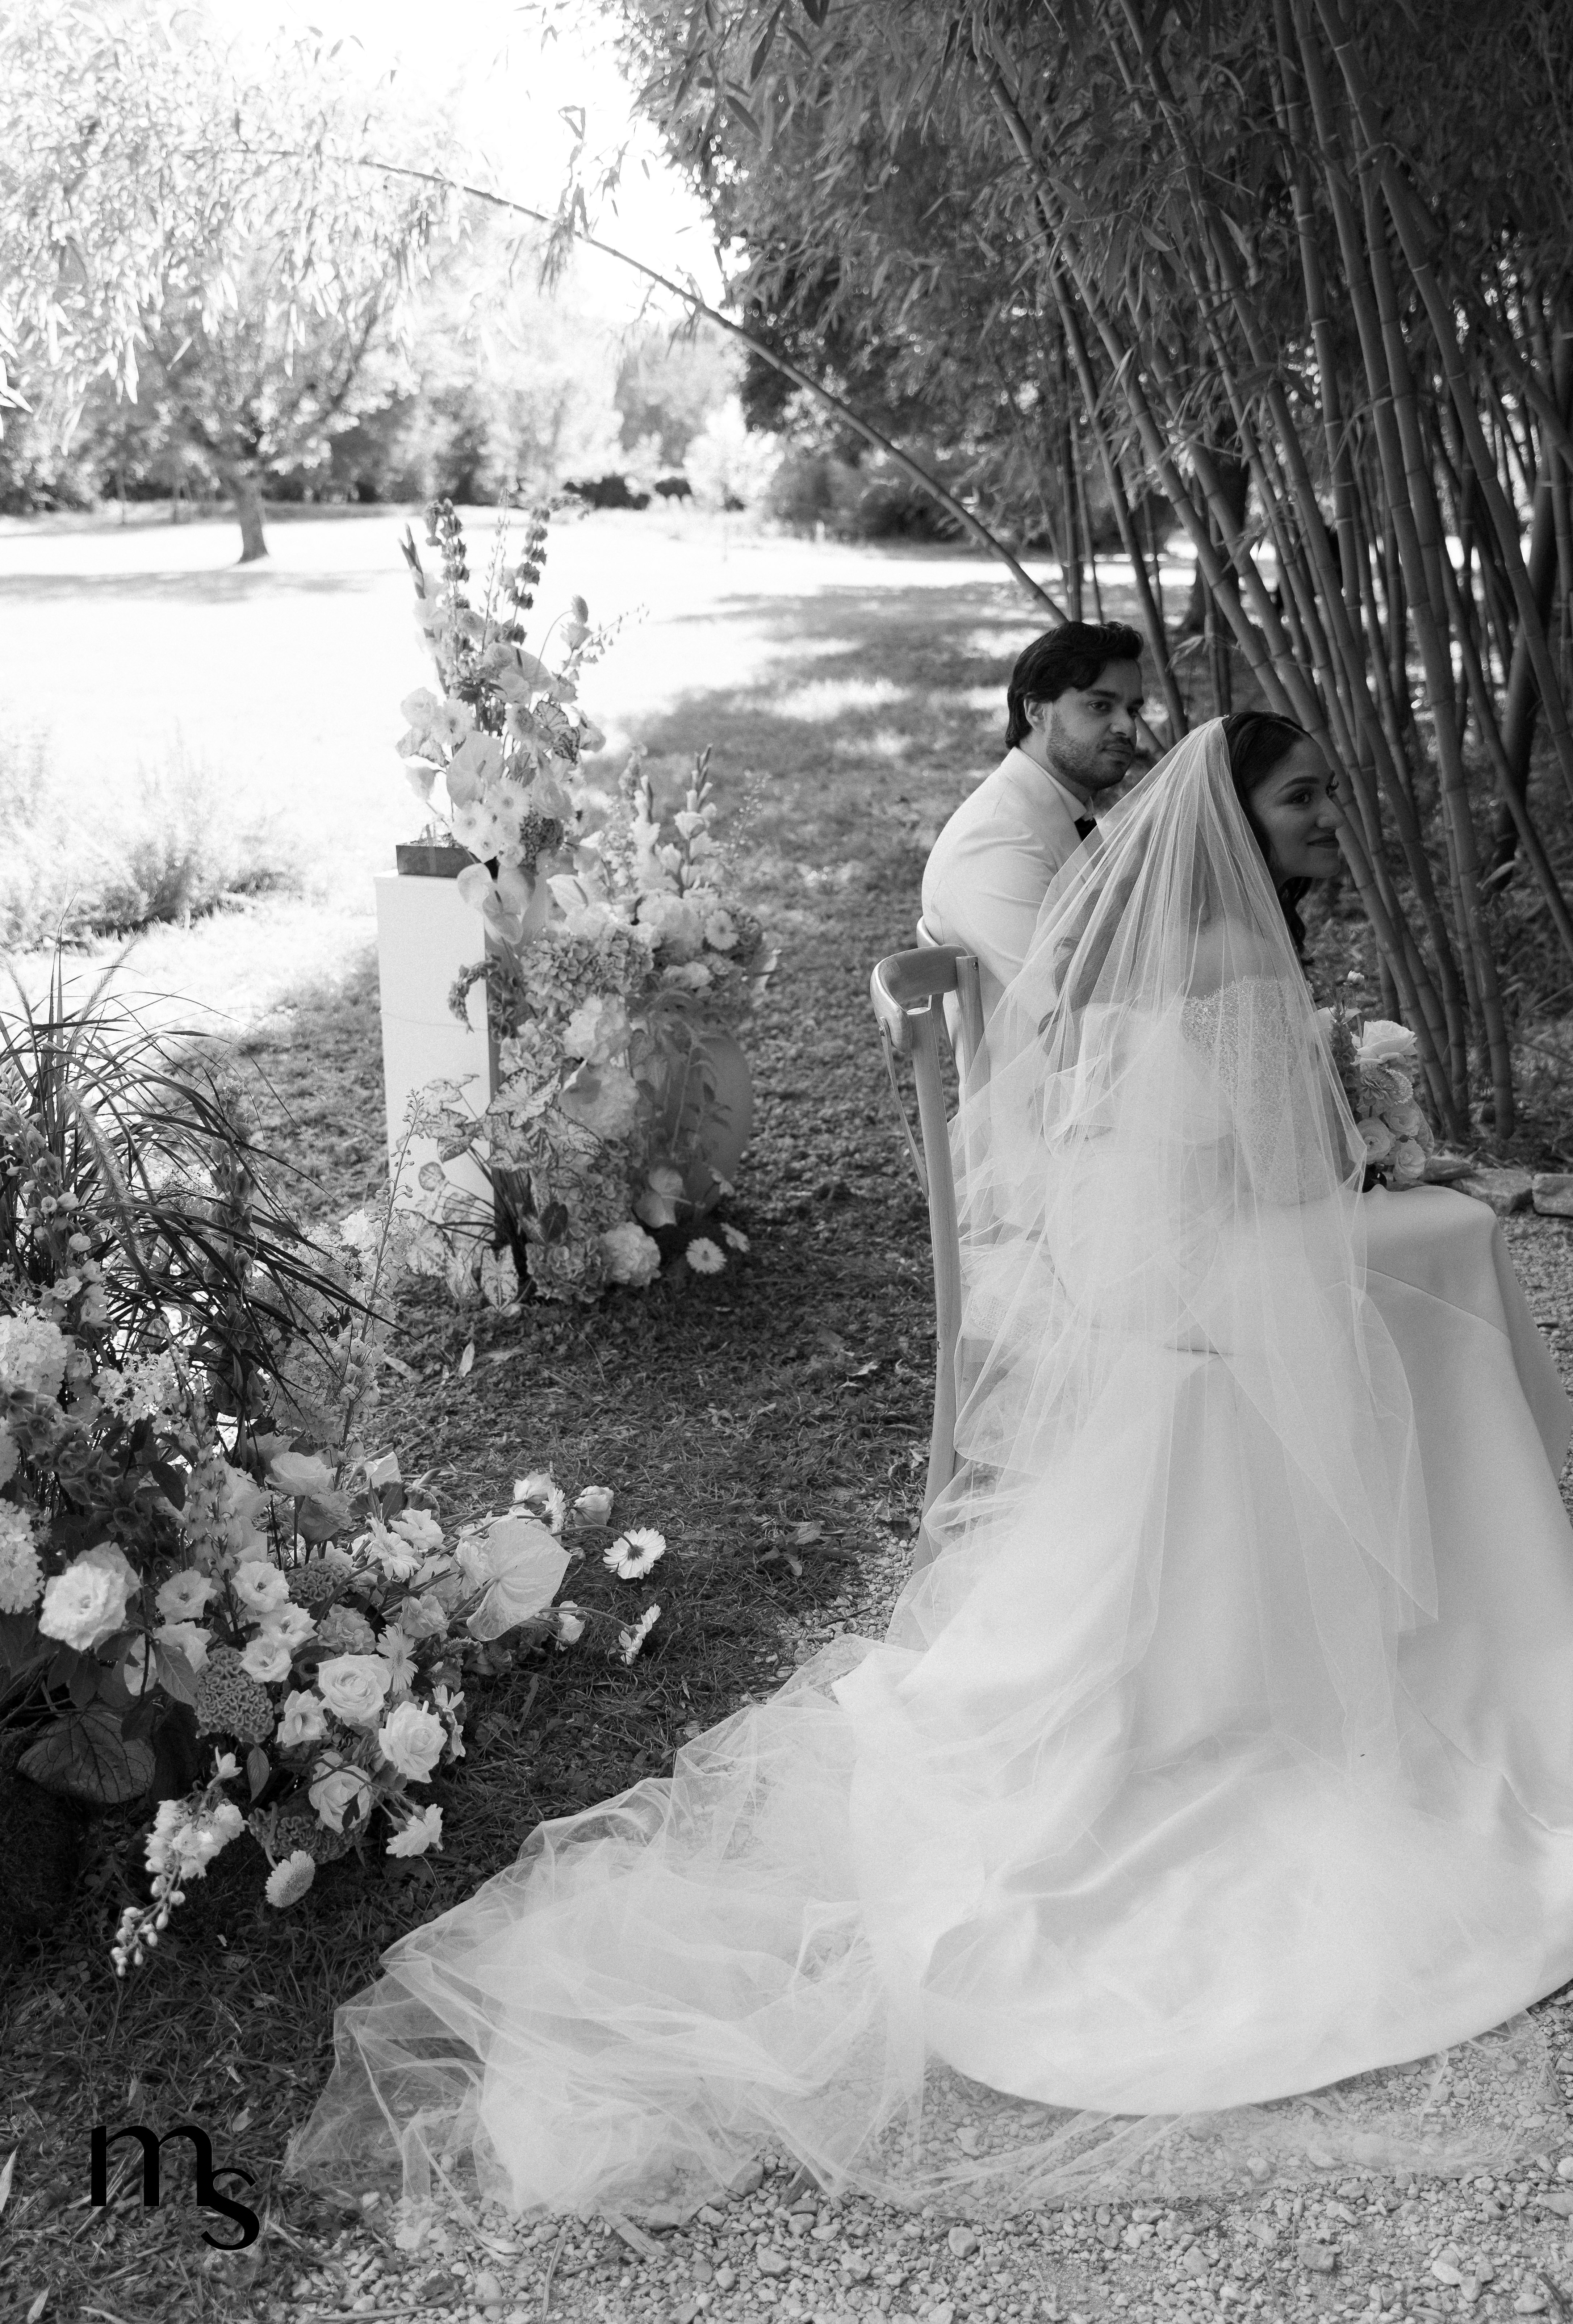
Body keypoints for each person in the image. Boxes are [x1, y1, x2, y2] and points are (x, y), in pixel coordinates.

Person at [290, 716, 1573, 2223]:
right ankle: (1466, 1623)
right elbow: (1278, 1181)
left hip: (1162, 1300)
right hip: (1211, 1303)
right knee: (1427, 1281)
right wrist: (1368, 1121)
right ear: (1236, 820)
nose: (1328, 822)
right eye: (1305, 798)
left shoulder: (1189, 943)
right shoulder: (1230, 964)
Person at [920, 620, 1146, 1021]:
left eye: (1132, 710)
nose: (1127, 727)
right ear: (1036, 711)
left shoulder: (1063, 811)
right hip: (1059, 1078)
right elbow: (1064, 1012)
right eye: (1100, 705)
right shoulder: (994, 840)